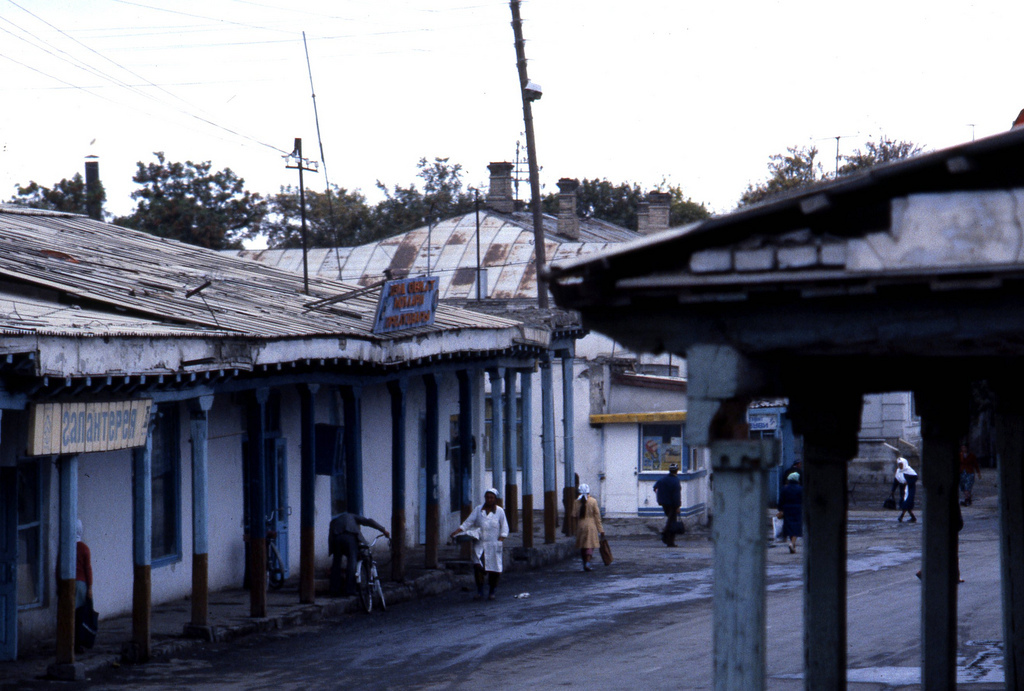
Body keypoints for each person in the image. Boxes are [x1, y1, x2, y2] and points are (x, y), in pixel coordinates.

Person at [450, 488, 509, 600]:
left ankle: (492, 591)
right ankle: (480, 591)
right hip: (480, 543)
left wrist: (500, 540)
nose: (489, 499)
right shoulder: (478, 510)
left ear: (495, 499)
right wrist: (457, 531)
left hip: (493, 544)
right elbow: (468, 522)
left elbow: (504, 527)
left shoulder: (500, 511)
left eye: (491, 497)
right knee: (478, 567)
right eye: (487, 497)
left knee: (494, 569)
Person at [328, 512, 389, 597]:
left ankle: (334, 590)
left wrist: (331, 551)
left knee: (336, 563)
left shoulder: (334, 521)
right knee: (352, 562)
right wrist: (383, 530)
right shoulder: (353, 516)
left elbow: (330, 536)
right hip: (350, 537)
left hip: (336, 538)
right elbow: (369, 522)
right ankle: (350, 590)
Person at [575, 484, 605, 572]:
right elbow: (597, 517)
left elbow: (573, 515)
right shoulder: (593, 501)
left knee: (582, 545)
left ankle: (584, 562)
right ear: (589, 492)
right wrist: (601, 530)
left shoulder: (576, 502)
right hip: (591, 526)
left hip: (580, 525)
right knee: (590, 545)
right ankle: (588, 562)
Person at [653, 463, 682, 546]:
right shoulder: (675, 481)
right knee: (672, 522)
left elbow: (655, 487)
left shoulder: (663, 479)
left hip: (664, 503)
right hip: (672, 504)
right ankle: (668, 540)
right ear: (676, 471)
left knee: (670, 521)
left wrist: (661, 495)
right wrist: (677, 506)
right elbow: (676, 495)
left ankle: (667, 538)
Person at [778, 472, 803, 554]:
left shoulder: (784, 488)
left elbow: (781, 500)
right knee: (796, 527)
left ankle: (793, 545)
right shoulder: (800, 489)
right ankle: (792, 543)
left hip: (787, 509)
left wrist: (780, 509)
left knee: (789, 527)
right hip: (798, 509)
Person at [896, 457, 918, 523]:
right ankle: (913, 517)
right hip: (903, 489)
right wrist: (892, 490)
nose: (900, 466)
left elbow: (915, 478)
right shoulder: (898, 471)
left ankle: (901, 516)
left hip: (910, 489)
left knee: (907, 503)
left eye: (901, 464)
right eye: (899, 464)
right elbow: (896, 480)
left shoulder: (909, 470)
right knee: (906, 505)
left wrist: (908, 482)